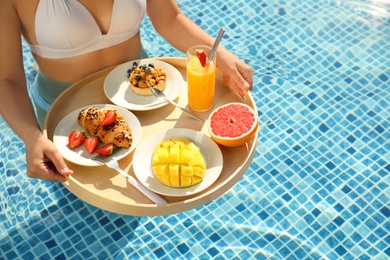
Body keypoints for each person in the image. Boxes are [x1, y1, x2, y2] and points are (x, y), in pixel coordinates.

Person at [0, 0, 253, 182]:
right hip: (68, 123)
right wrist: (32, 137)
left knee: (148, 184)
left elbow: (170, 19)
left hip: (144, 103)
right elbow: (6, 79)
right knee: (85, 204)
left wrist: (220, 55)